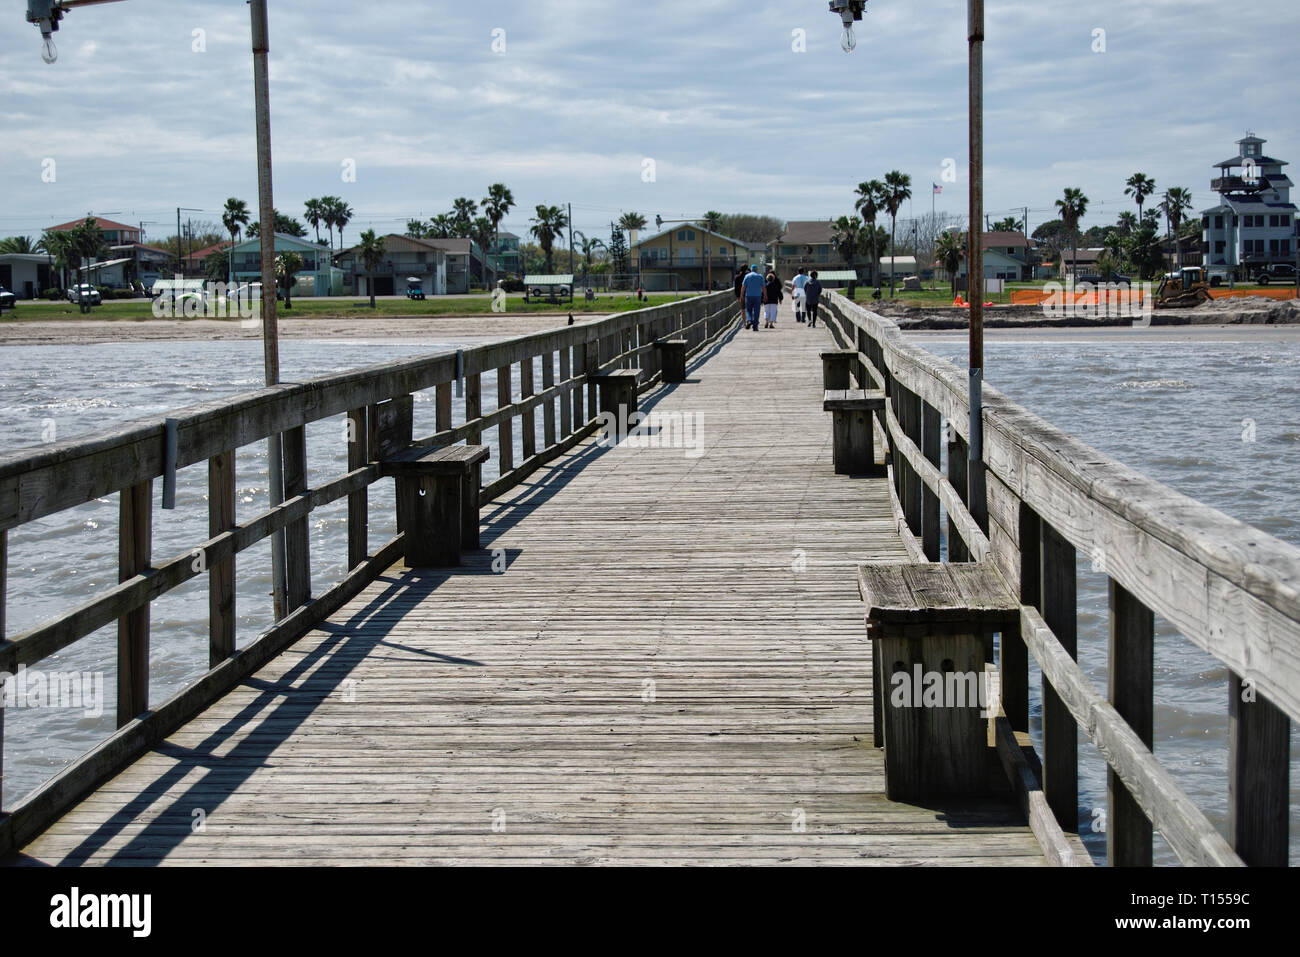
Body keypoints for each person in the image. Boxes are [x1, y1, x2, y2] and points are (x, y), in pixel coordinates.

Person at [740, 264, 764, 330]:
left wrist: (742, 295)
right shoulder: (760, 277)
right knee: (757, 311)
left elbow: (743, 287)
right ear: (757, 270)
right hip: (758, 296)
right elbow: (764, 287)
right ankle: (755, 327)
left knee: (748, 310)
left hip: (748, 296)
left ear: (751, 269)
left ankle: (749, 320)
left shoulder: (747, 276)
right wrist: (765, 295)